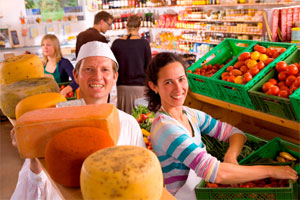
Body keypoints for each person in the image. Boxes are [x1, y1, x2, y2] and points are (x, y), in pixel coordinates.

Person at [145, 52, 298, 199]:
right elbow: (217, 173)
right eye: (168, 82)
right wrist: (272, 171)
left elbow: (234, 132)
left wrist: (230, 156)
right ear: (154, 86)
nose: (178, 89)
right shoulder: (166, 128)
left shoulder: (189, 114)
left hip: (200, 192)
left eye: (181, 79)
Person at [10, 41, 145, 200]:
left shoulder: (128, 123)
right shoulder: (54, 121)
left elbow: (141, 178)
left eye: (105, 70)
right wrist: (32, 154)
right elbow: (30, 191)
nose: (97, 76)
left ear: (115, 77)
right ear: (75, 75)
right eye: (89, 69)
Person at [111, 14, 151, 114]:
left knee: (124, 116)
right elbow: (149, 66)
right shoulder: (144, 43)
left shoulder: (116, 43)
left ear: (126, 26)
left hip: (121, 86)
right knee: (139, 117)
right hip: (139, 86)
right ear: (139, 27)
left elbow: (112, 65)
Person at [75, 11, 117, 106]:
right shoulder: (99, 38)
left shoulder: (81, 35)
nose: (109, 27)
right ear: (101, 21)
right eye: (109, 24)